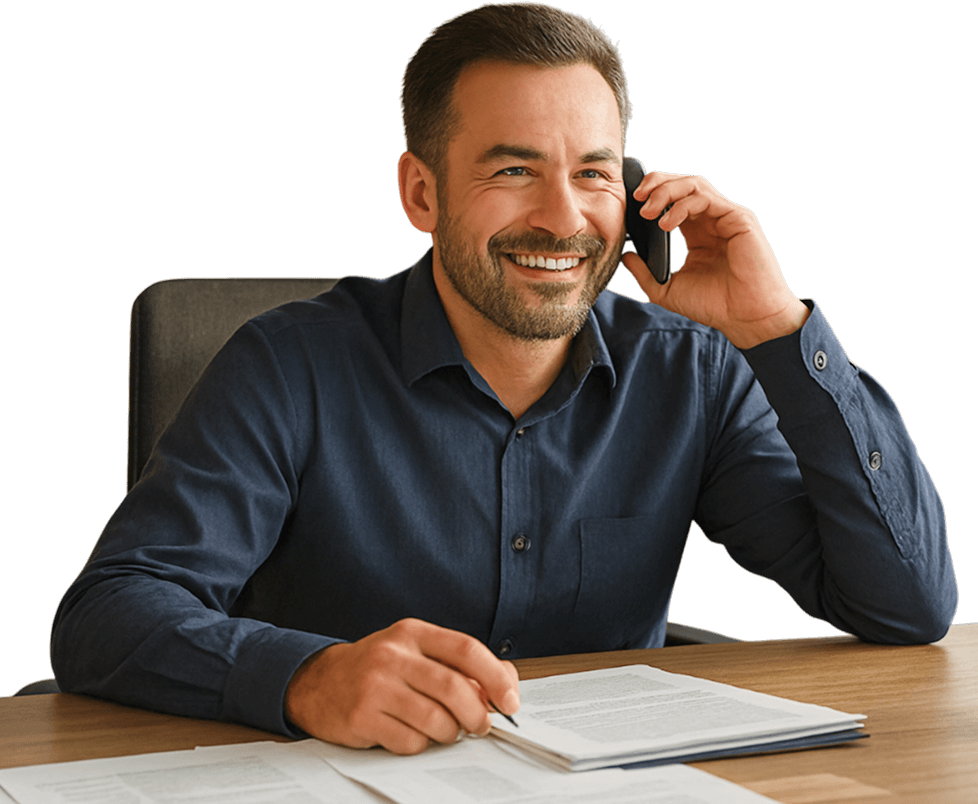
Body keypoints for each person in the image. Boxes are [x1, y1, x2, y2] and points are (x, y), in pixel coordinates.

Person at [51, 2, 957, 757]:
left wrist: (776, 329)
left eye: (594, 173)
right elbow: (105, 615)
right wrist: (306, 678)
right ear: (421, 193)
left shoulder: (692, 370)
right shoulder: (289, 365)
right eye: (514, 169)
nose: (564, 219)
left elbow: (907, 606)